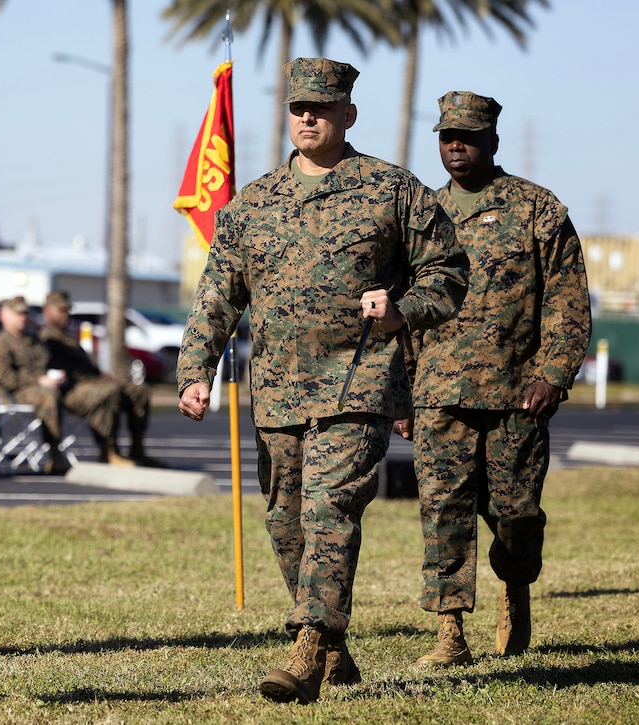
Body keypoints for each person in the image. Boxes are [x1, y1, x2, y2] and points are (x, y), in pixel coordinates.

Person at [176, 57, 469, 705]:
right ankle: (336, 649)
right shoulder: (254, 201)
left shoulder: (393, 190)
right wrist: (196, 368)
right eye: (297, 108)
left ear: (348, 114)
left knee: (330, 509)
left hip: (357, 381)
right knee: (287, 522)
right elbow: (219, 292)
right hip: (277, 388)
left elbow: (447, 273)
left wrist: (402, 310)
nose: (307, 117)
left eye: (322, 107)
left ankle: (309, 646)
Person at [405, 92, 591, 667]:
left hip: (517, 392)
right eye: (446, 136)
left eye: (467, 135)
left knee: (515, 513)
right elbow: (405, 310)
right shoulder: (422, 213)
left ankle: (516, 587)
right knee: (444, 509)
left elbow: (567, 299)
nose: (455, 145)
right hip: (438, 392)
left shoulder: (537, 208)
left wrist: (553, 374)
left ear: (493, 140)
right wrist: (400, 393)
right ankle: (450, 632)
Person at [39, 290, 151, 465]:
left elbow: (87, 367)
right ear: (47, 311)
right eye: (60, 310)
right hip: (70, 390)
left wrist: (101, 376)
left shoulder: (68, 336)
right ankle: (108, 450)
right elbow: (55, 371)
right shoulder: (47, 338)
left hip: (91, 383)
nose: (65, 314)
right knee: (108, 392)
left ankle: (137, 449)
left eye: (67, 309)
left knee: (138, 391)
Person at [0, 296, 72, 474]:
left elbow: (45, 362)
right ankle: (55, 451)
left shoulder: (33, 339)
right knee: (49, 395)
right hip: (17, 393)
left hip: (45, 388)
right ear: (5, 315)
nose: (23, 317)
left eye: (25, 313)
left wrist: (54, 376)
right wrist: (38, 380)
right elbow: (2, 376)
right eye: (18, 313)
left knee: (61, 393)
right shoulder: (1, 343)